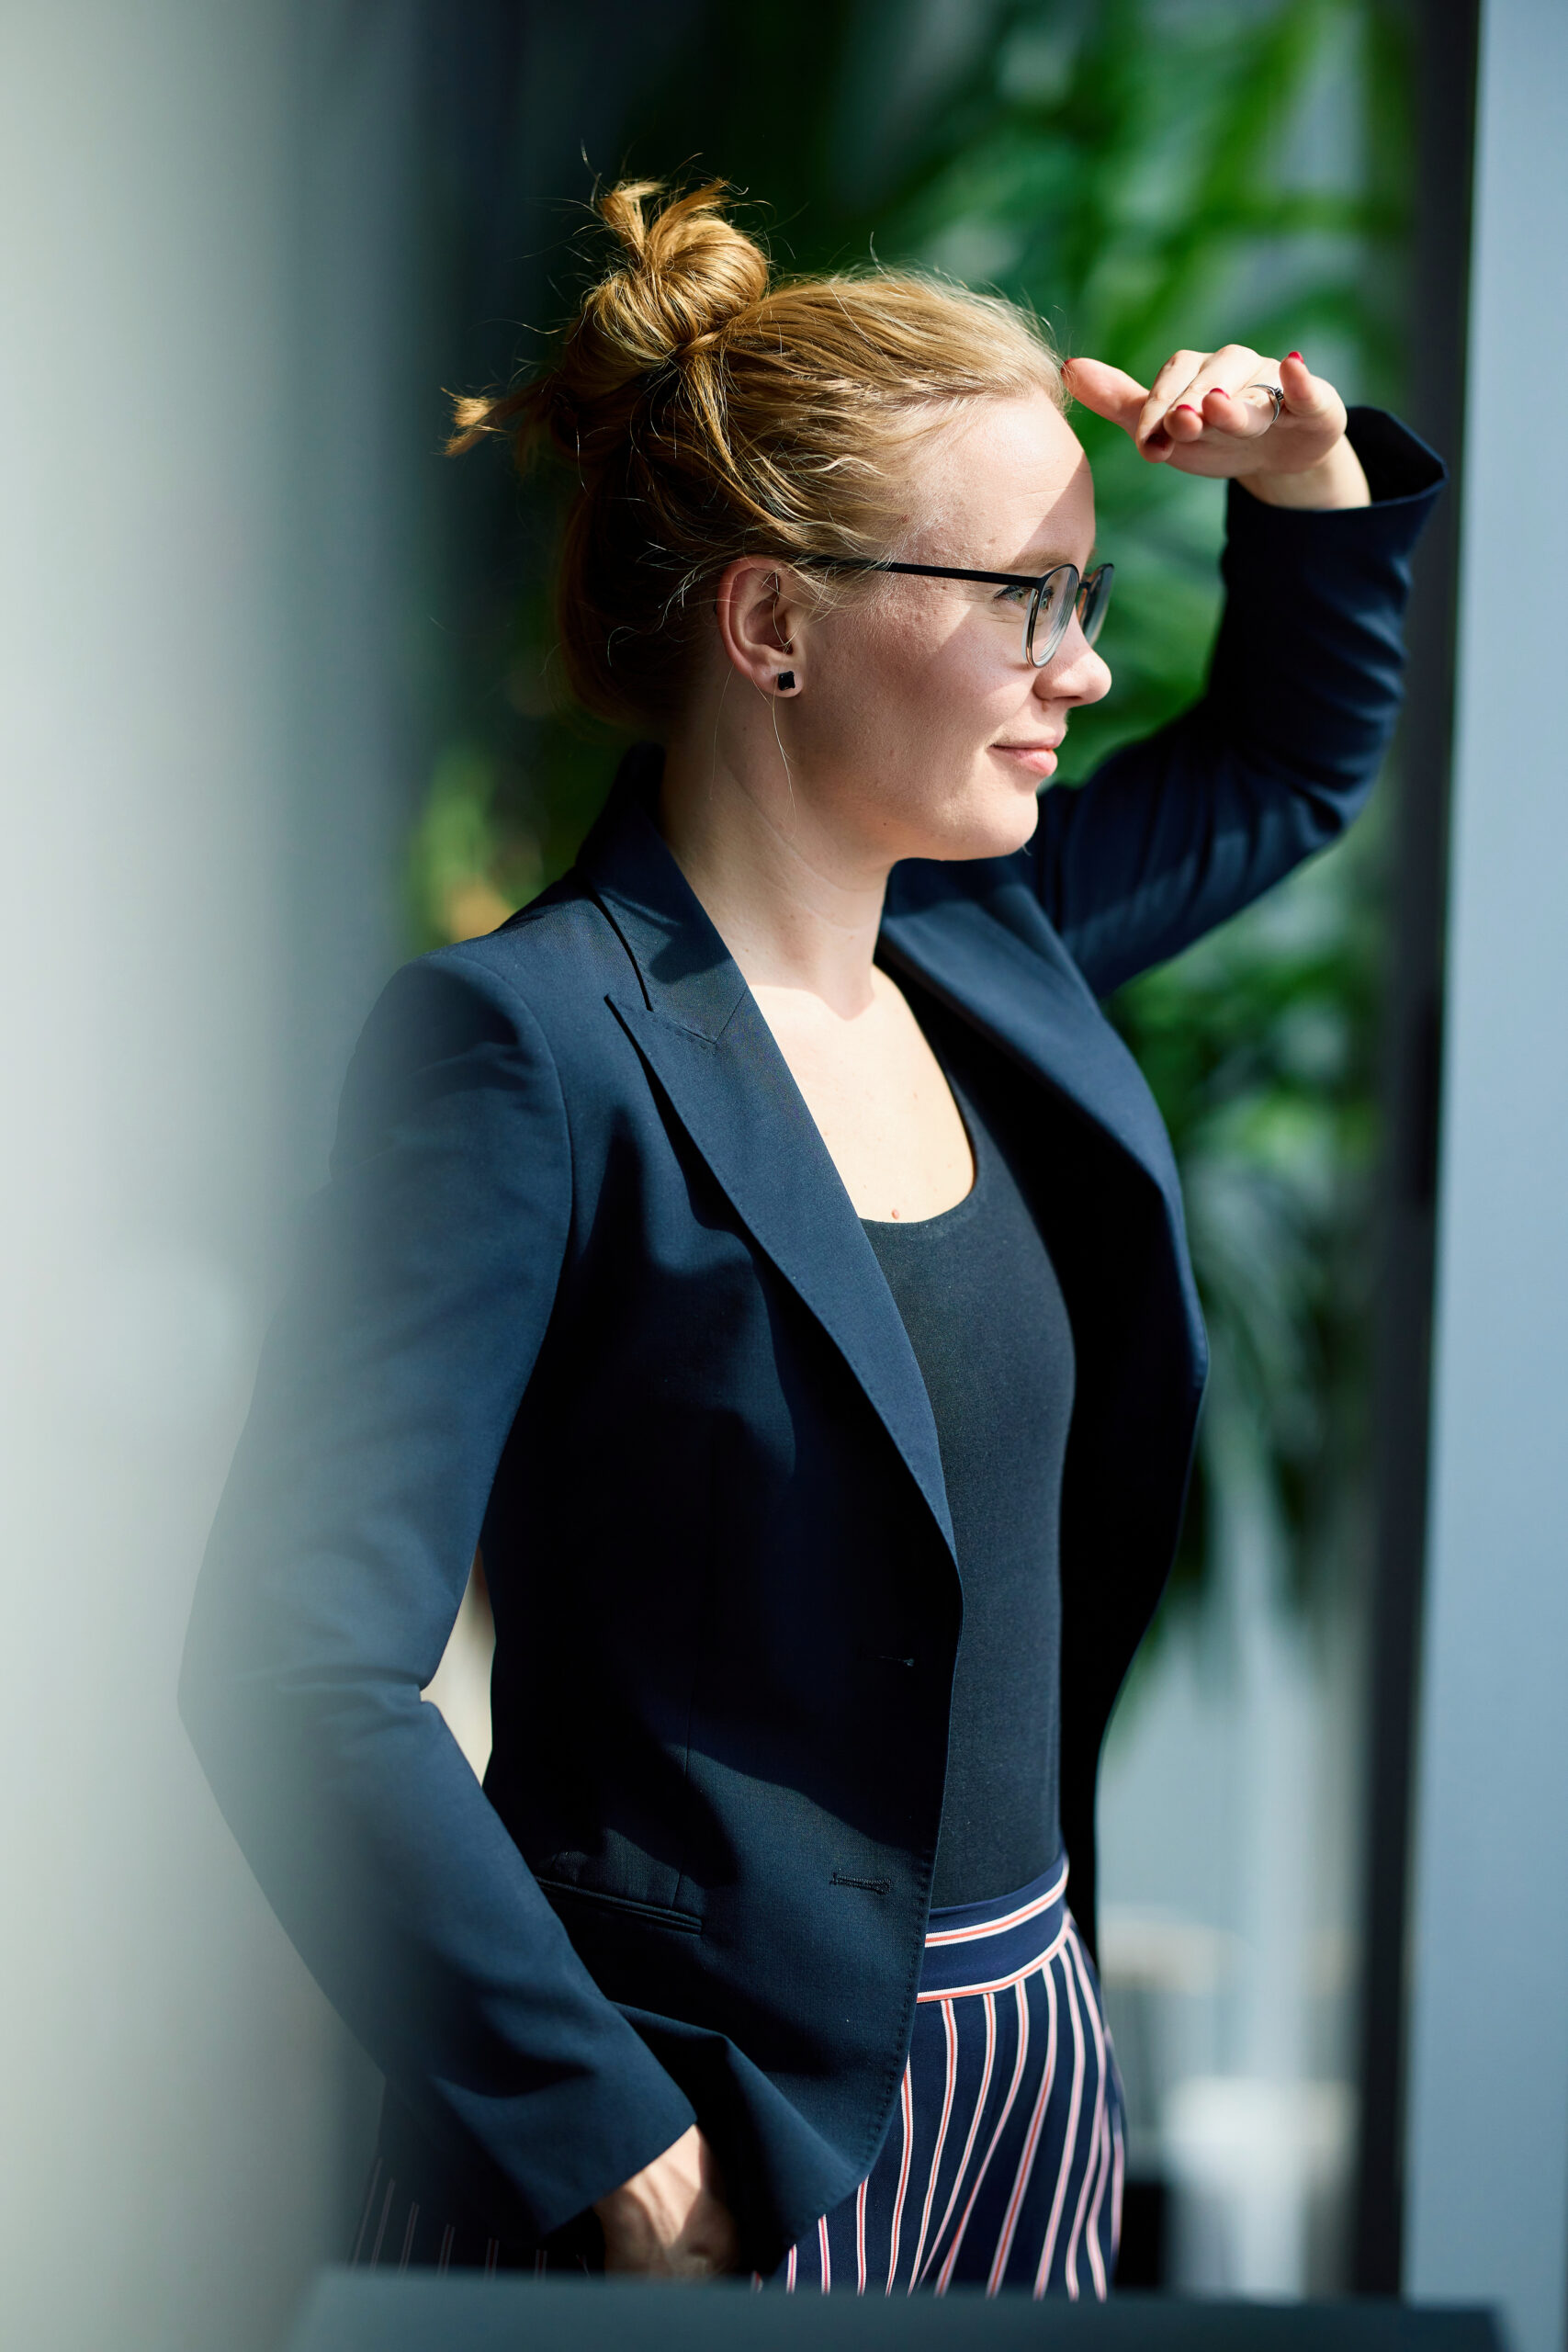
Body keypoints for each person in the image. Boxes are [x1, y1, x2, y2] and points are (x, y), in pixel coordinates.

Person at [180, 178, 1443, 2296]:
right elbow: (297, 1665)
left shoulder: (981, 946)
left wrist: (1306, 483)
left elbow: (1288, 764)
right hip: (703, 2119)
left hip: (1024, 2067)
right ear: (769, 624)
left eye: (1086, 587)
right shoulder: (525, 1049)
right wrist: (621, 2152)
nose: (1088, 661)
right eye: (1026, 596)